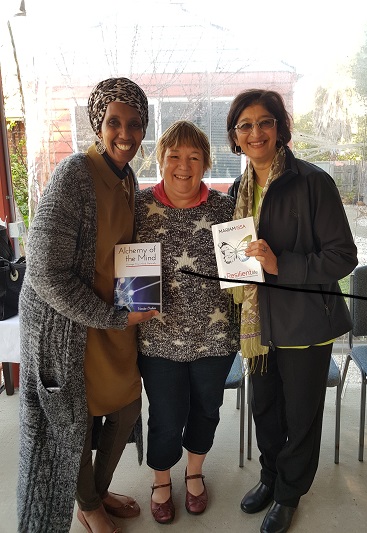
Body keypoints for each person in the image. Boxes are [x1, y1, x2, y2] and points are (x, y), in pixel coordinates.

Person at [17, 77, 159, 533]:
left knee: (126, 407)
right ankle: (89, 503)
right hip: (67, 325)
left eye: (135, 124)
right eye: (114, 122)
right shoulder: (75, 175)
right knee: (71, 417)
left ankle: (96, 491)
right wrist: (111, 316)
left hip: (113, 316)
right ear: (98, 125)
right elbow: (44, 273)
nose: (125, 134)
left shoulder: (127, 178)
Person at [226, 89, 358, 533]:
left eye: (265, 122)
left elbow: (343, 256)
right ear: (235, 136)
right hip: (258, 324)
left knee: (301, 417)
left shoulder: (313, 182)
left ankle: (288, 494)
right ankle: (270, 477)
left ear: (280, 127)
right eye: (245, 125)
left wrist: (281, 264)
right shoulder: (238, 189)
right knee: (265, 409)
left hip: (305, 323)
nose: (256, 132)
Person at [135, 120, 240, 524]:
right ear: (160, 160)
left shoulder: (225, 209)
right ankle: (161, 480)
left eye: (194, 157)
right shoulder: (138, 207)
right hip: (158, 338)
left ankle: (194, 472)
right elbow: (121, 263)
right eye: (174, 156)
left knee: (207, 410)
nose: (183, 165)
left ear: (205, 163)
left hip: (215, 338)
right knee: (165, 414)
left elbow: (241, 277)